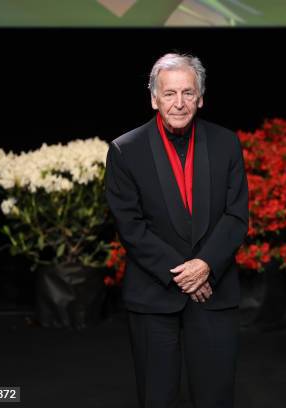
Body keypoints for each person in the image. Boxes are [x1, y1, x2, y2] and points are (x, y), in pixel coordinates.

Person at [105, 53, 248, 408]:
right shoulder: (125, 150)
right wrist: (186, 273)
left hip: (214, 290)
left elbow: (236, 215)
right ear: (154, 98)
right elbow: (131, 226)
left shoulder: (226, 143)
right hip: (154, 295)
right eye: (169, 94)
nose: (179, 103)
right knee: (157, 398)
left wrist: (206, 266)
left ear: (200, 97)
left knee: (216, 398)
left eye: (188, 93)